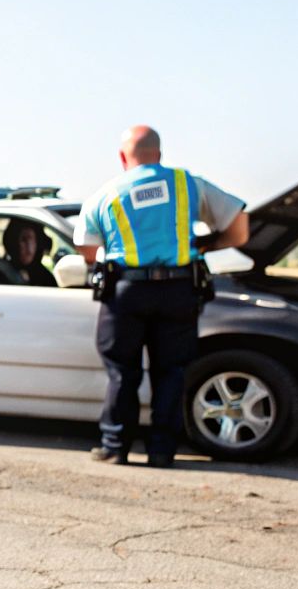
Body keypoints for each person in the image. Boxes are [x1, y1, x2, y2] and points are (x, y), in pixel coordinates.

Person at [75, 126, 248, 467]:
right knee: (171, 372)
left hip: (127, 291)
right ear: (159, 153)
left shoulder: (106, 193)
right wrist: (203, 244)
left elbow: (87, 247)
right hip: (178, 291)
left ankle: (115, 447)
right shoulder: (188, 185)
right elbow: (240, 229)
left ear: (124, 157)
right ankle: (161, 451)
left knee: (123, 372)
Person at [0, 220, 57, 287]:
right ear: (13, 243)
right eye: (23, 239)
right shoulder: (1, 272)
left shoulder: (44, 276)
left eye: (31, 239)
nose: (29, 246)